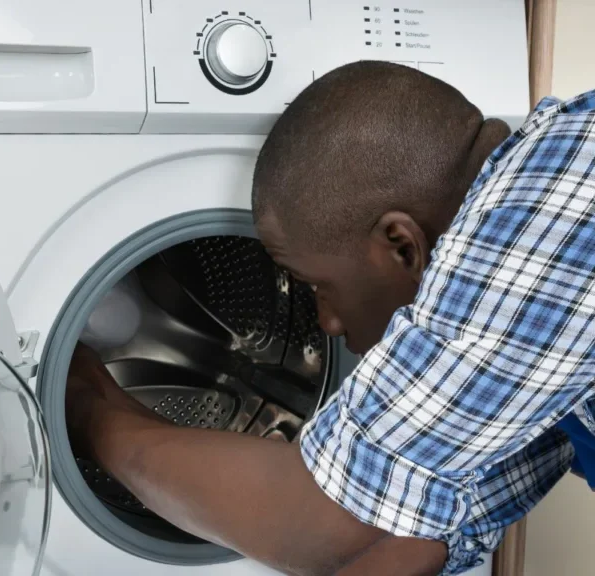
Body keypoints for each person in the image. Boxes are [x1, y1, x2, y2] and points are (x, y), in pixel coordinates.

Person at [66, 61, 595, 575]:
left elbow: (329, 518)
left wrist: (87, 417)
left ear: (401, 247)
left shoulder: (556, 206)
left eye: (320, 287)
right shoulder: (531, 325)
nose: (327, 323)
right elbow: (429, 526)